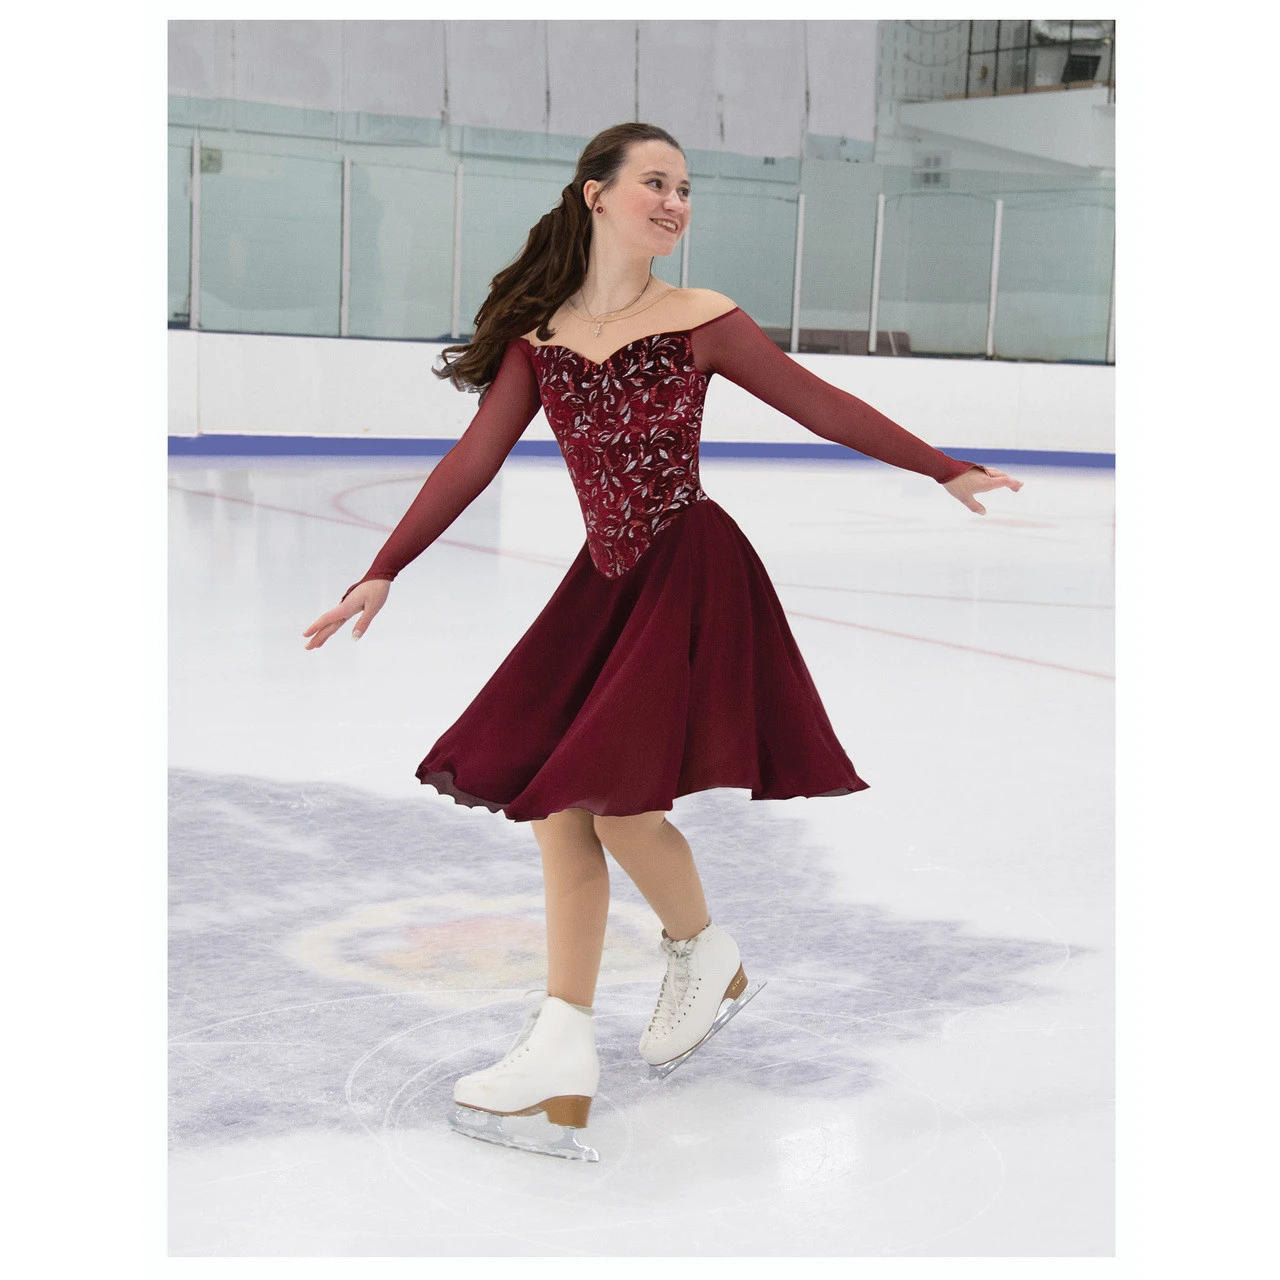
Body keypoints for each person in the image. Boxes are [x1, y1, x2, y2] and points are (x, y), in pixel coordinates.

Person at [303, 122, 1022, 1162]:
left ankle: (669, 974)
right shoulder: (541, 339)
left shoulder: (699, 318)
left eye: (685, 188)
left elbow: (819, 403)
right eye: (656, 182)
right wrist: (384, 566)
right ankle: (591, 1025)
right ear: (595, 194)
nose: (676, 202)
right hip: (604, 582)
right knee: (562, 805)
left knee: (609, 801)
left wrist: (940, 466)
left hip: (686, 568)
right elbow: (472, 458)